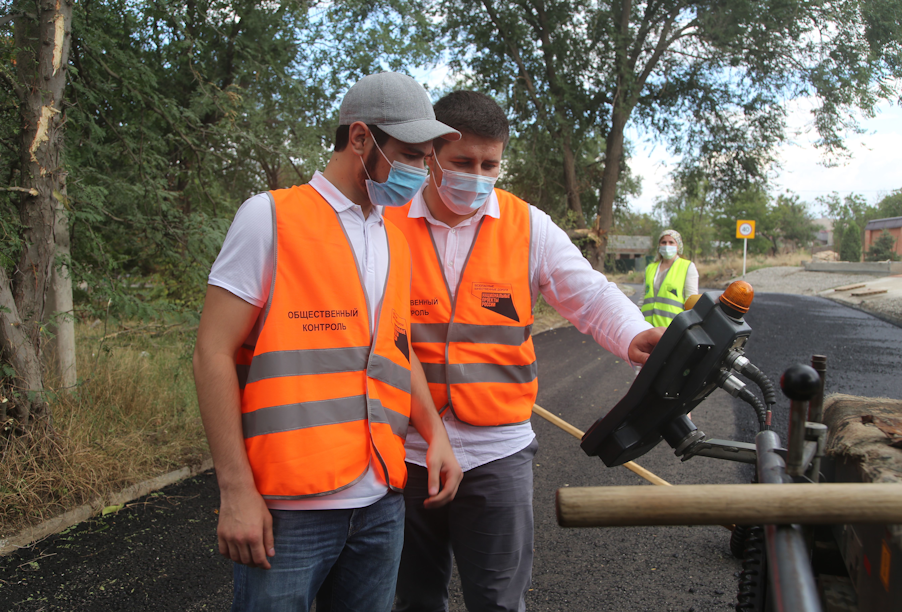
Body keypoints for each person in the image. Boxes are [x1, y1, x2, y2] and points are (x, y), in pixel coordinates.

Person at [383, 90, 664, 612]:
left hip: (497, 452)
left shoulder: (527, 225)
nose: (478, 176)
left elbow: (590, 292)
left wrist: (632, 334)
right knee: (413, 598)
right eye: (463, 162)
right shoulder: (386, 220)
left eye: (490, 164)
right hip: (406, 452)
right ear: (432, 156)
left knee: (498, 601)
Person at [193, 72, 464, 612]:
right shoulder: (269, 218)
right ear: (360, 138)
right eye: (410, 154)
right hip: (289, 508)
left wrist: (435, 433)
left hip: (382, 502)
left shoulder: (393, 235)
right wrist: (236, 491)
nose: (421, 171)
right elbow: (211, 354)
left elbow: (395, 347)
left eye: (426, 157)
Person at [640, 229, 699, 327]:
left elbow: (691, 302)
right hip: (647, 327)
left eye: (671, 242)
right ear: (659, 246)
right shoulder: (650, 268)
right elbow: (643, 298)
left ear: (678, 246)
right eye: (664, 242)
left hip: (672, 328)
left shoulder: (687, 267)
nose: (667, 245)